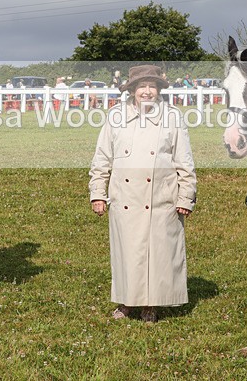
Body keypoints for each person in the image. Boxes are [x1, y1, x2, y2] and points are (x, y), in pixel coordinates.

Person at [89, 65, 197, 323]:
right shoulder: (115, 116)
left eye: (152, 87)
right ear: (132, 90)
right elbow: (102, 158)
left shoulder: (172, 117)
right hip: (125, 197)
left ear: (158, 89)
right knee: (128, 253)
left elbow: (184, 160)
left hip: (161, 197)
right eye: (141, 87)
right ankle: (126, 302)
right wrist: (97, 193)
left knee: (158, 254)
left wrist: (186, 196)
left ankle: (151, 304)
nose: (147, 92)